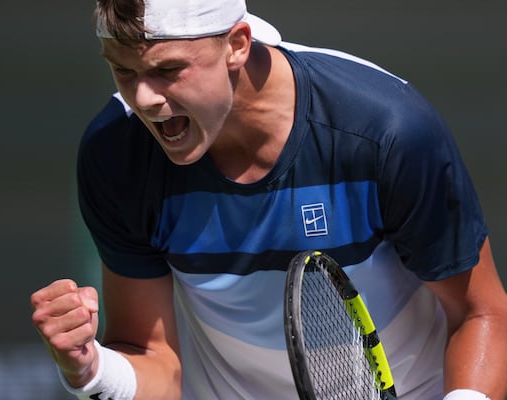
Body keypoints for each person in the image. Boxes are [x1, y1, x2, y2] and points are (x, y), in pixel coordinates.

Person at [30, 0, 507, 399]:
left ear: (237, 45)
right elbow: (155, 360)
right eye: (122, 71)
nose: (145, 98)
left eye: (168, 70)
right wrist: (90, 368)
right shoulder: (117, 152)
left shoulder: (386, 132)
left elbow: (482, 314)